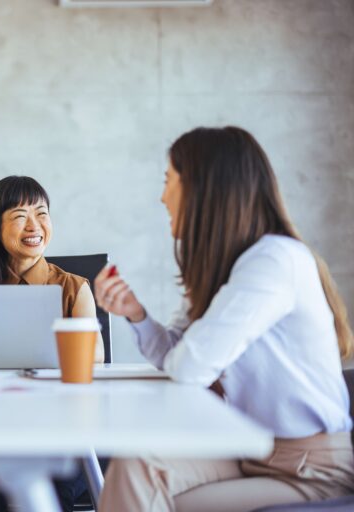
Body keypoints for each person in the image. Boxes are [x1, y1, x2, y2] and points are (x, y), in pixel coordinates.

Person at [94, 126, 354, 511]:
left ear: (202, 188)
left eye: (169, 181)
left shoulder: (273, 261)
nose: (162, 196)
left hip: (308, 469)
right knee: (137, 466)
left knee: (157, 495)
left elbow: (190, 367)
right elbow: (177, 357)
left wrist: (184, 353)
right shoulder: (227, 269)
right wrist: (137, 315)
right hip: (250, 450)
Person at [0, 175, 101, 512]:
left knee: (53, 489)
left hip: (59, 432)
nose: (34, 225)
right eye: (20, 216)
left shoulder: (74, 288)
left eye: (42, 213)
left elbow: (93, 364)